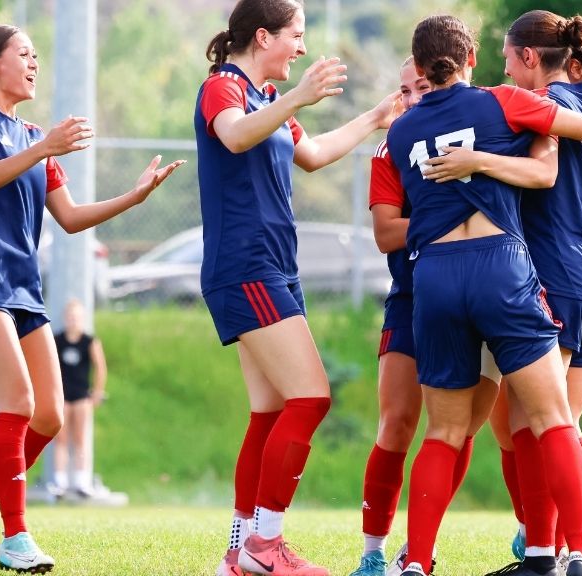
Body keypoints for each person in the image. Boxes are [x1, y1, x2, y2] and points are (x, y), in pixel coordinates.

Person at [425, 15, 582, 576]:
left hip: (557, 280)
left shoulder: (551, 110)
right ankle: (579, 547)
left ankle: (567, 552)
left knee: (547, 427)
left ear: (546, 60)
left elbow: (543, 174)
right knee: (541, 425)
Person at [0, 24, 184, 573]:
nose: (34, 64)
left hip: (24, 289)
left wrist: (136, 196)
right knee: (19, 404)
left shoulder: (32, 133)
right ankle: (16, 536)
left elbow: (72, 218)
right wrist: (45, 147)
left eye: (35, 56)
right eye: (23, 55)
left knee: (49, 416)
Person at [194, 2, 399, 575]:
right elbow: (233, 138)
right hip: (247, 268)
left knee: (269, 413)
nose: (303, 48)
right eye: (296, 35)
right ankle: (266, 545)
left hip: (273, 268)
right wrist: (297, 98)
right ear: (263, 37)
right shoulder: (225, 88)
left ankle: (238, 552)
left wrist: (376, 117)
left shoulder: (265, 100)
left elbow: (311, 155)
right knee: (311, 399)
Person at [349, 57, 554, 576]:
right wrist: (445, 214)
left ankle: (532, 538)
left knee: (476, 427)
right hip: (416, 293)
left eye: (420, 86)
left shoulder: (483, 119)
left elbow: (542, 166)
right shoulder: (395, 144)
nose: (413, 98)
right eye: (403, 90)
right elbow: (384, 233)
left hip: (483, 285)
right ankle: (373, 553)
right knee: (397, 423)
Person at [52, 298, 107, 497]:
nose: (73, 321)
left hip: (82, 396)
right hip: (63, 397)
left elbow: (100, 367)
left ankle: (82, 481)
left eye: (77, 317)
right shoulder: (57, 340)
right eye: (70, 317)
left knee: (80, 438)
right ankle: (60, 482)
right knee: (61, 439)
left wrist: (97, 392)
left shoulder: (89, 341)